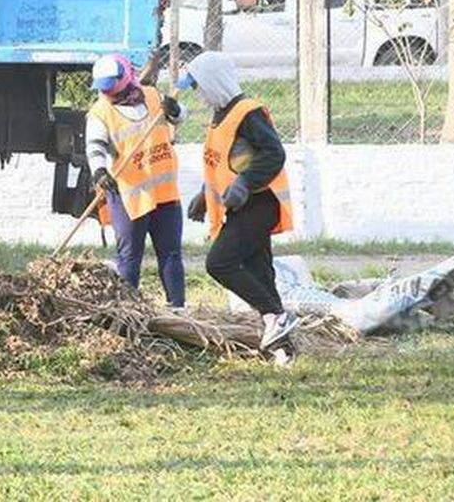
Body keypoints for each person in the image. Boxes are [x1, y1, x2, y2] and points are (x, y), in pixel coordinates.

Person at [178, 51, 300, 353]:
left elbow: (273, 154)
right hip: (240, 205)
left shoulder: (247, 113)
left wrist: (246, 183)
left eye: (199, 88)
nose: (200, 96)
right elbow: (224, 163)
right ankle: (282, 347)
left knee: (220, 262)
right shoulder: (220, 116)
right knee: (260, 271)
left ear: (214, 82)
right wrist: (206, 195)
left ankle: (275, 316)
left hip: (259, 203)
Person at [85, 53, 186, 307]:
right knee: (129, 258)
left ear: (125, 78)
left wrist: (175, 110)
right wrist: (99, 171)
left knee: (171, 254)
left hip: (164, 192)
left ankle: (178, 309)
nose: (107, 92)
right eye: (103, 87)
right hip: (128, 194)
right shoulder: (100, 112)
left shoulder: (152, 96)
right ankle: (129, 313)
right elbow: (95, 146)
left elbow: (179, 116)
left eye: (110, 86)